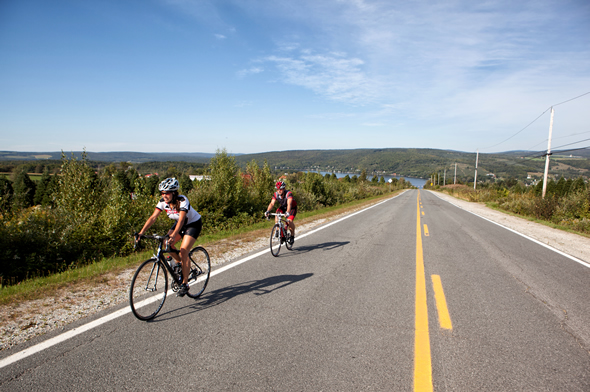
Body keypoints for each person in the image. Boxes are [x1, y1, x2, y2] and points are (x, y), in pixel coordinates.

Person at [136, 178, 202, 297]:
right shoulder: (162, 202)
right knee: (167, 244)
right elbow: (153, 218)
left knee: (183, 250)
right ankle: (180, 263)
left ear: (174, 193)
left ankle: (185, 284)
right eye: (162, 193)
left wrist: (173, 235)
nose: (164, 195)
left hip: (193, 224)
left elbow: (182, 220)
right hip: (180, 224)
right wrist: (141, 233)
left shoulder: (182, 200)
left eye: (166, 193)